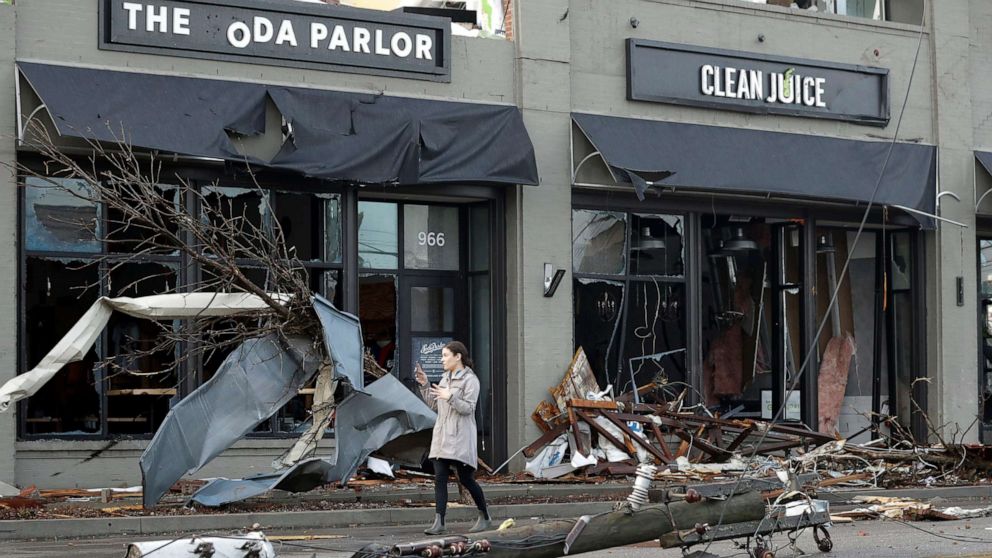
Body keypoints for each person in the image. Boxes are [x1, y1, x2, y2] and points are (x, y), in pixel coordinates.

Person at [415, 341, 492, 535]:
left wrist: (450, 396)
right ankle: (439, 521)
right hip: (442, 436)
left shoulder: (470, 380)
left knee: (466, 479)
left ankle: (485, 516)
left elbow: (468, 408)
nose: (442, 359)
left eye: (445, 355)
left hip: (460, 437)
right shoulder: (444, 379)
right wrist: (424, 384)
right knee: (439, 477)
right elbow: (434, 405)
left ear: (458, 357)